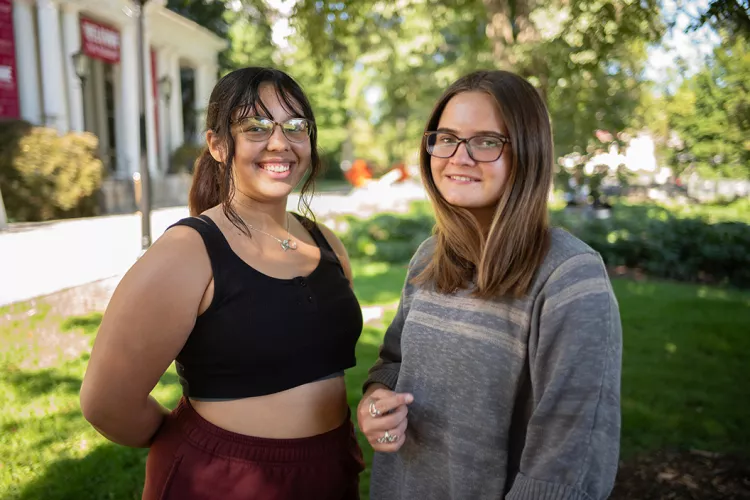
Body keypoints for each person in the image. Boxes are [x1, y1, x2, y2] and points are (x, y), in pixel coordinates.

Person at [80, 67, 364, 499]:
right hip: (223, 480)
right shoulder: (187, 252)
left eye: (295, 126)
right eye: (255, 127)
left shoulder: (326, 244)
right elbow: (105, 403)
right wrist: (196, 441)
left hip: (329, 472)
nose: (279, 142)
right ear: (217, 144)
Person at [357, 70, 623, 500]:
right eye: (446, 137)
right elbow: (392, 364)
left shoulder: (569, 277)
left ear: (528, 152)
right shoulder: (430, 256)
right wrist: (376, 403)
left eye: (486, 141)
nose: (459, 157)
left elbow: (568, 462)